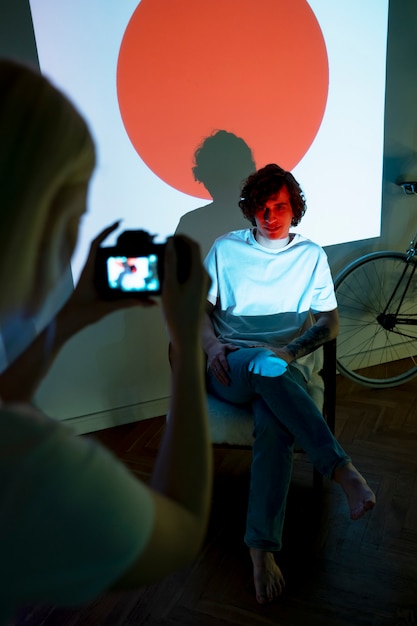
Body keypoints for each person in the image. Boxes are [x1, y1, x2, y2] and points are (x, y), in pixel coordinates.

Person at [0, 59, 212, 624]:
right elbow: (182, 526)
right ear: (35, 224)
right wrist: (187, 339)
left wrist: (71, 315)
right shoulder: (24, 462)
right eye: (75, 214)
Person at [201, 163, 376, 605]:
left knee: (275, 426)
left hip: (283, 369)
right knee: (261, 364)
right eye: (261, 207)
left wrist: (289, 353)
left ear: (293, 207)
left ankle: (260, 551)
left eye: (279, 205)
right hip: (232, 367)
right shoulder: (225, 249)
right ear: (250, 210)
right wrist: (211, 347)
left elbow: (330, 323)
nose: (269, 215)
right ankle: (342, 470)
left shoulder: (310, 255)